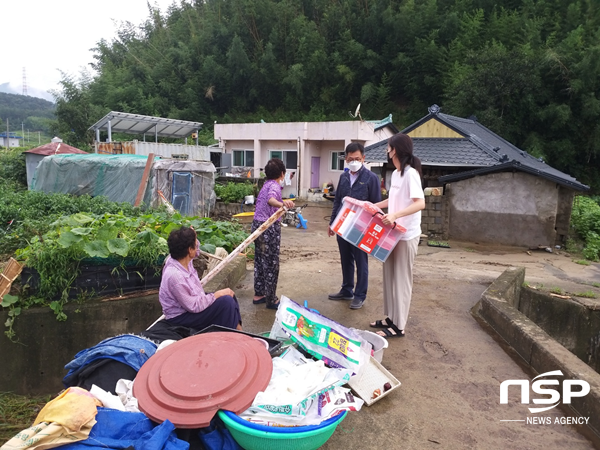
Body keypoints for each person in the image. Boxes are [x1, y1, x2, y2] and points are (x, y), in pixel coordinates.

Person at [370, 133, 425, 338]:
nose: (387, 150)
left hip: (406, 234)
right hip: (392, 234)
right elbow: (394, 199)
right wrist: (376, 206)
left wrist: (394, 215)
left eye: (388, 147)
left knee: (401, 279)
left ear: (396, 150)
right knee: (390, 276)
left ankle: (399, 326)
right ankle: (391, 318)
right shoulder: (396, 173)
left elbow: (420, 203)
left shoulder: (411, 174)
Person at [328, 142, 381, 309]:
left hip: (362, 228)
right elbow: (337, 201)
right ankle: (347, 289)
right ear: (346, 160)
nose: (354, 161)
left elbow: (377, 205)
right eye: (350, 159)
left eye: (357, 158)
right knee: (346, 259)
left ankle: (359, 295)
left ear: (363, 158)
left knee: (361, 261)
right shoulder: (343, 177)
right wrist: (332, 223)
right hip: (343, 225)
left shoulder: (371, 178)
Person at [159, 226, 242, 331]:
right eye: (195, 243)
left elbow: (196, 251)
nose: (197, 245)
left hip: (193, 301)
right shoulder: (175, 276)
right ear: (189, 250)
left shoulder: (179, 258)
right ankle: (231, 337)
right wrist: (216, 295)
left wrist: (193, 236)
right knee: (226, 302)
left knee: (230, 295)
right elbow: (193, 306)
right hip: (181, 316)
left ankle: (239, 332)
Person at [252, 158, 295, 309]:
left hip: (257, 225)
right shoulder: (274, 187)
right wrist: (282, 203)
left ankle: (259, 294)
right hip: (268, 228)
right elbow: (271, 200)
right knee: (271, 263)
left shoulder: (266, 185)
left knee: (259, 261)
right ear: (282, 174)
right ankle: (271, 300)